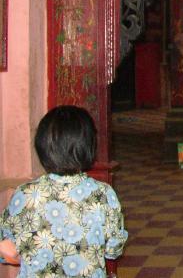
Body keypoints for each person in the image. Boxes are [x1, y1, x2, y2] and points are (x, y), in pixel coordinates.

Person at [0, 106, 128, 276]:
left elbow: (5, 249)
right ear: (89, 147)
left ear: (42, 147)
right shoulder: (103, 194)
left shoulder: (24, 194)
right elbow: (113, 250)